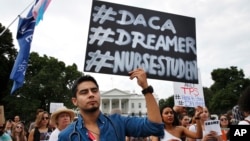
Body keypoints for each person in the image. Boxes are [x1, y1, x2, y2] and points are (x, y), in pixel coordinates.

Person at [58, 68, 164, 141]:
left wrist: (145, 88)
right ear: (75, 101)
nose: (91, 94)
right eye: (84, 92)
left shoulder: (118, 122)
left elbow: (155, 127)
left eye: (94, 90)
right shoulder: (67, 135)